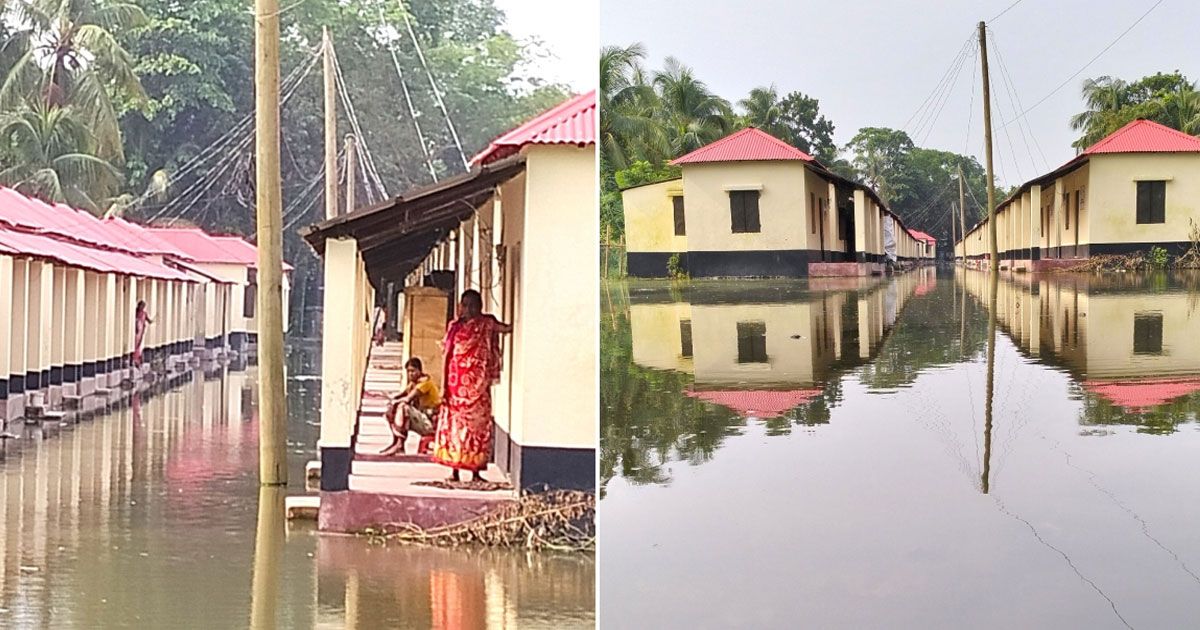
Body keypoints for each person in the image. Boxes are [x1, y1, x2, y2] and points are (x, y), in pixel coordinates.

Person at [432, 290, 512, 482]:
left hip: (479, 388)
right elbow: (446, 356)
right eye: (465, 305)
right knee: (455, 428)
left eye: (473, 305)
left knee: (477, 429)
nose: (469, 309)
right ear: (460, 306)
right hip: (455, 387)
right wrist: (443, 386)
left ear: (481, 306)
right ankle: (455, 471)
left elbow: (506, 329)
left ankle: (476, 471)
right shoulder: (454, 328)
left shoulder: (486, 323)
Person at [379, 357, 440, 456]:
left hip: (429, 422)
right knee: (392, 411)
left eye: (413, 371)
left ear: (419, 371)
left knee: (403, 407)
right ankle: (397, 443)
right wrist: (391, 402)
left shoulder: (425, 383)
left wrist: (396, 402)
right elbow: (401, 395)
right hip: (421, 418)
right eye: (408, 371)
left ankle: (399, 443)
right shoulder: (413, 384)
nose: (410, 374)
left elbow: (408, 398)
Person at [133, 300, 153, 367]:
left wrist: (151, 321)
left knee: (139, 343)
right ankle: (136, 358)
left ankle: (138, 358)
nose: (142, 307)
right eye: (141, 306)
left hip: (142, 330)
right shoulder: (136, 312)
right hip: (137, 329)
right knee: (136, 343)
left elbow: (148, 320)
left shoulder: (144, 313)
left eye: (143, 306)